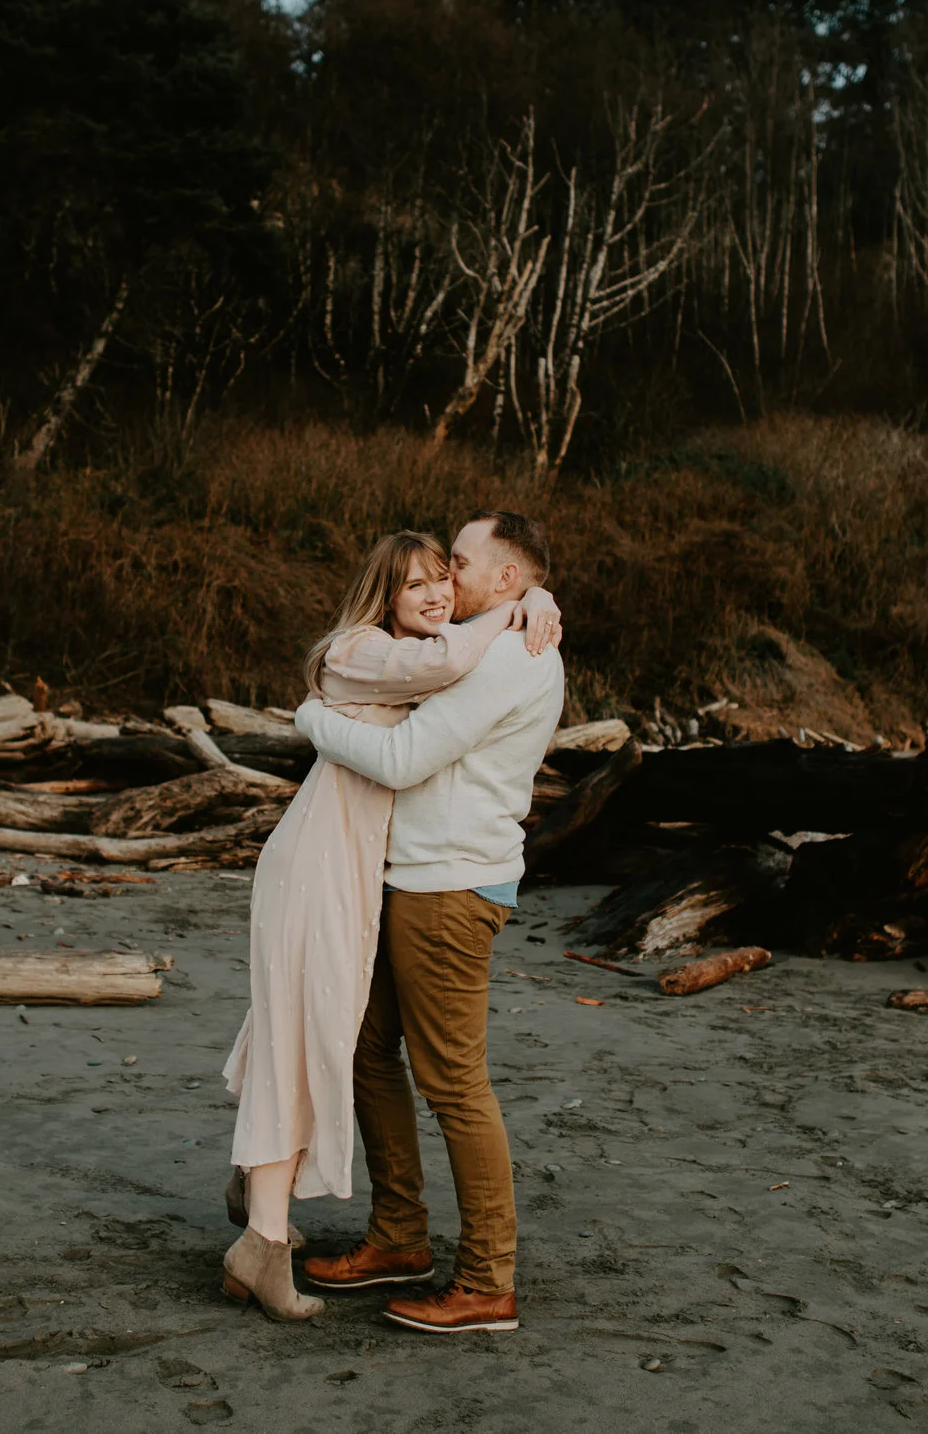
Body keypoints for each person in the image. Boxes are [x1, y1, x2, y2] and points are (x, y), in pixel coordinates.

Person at [216, 527, 561, 1321]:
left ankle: (484, 1281)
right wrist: (527, 599)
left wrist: (310, 719)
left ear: (506, 575)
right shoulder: (477, 636)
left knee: (453, 1080)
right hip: (399, 877)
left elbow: (404, 759)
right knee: (362, 1045)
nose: (449, 580)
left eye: (459, 565)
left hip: (448, 884)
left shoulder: (508, 649)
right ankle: (397, 1234)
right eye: (433, 574)